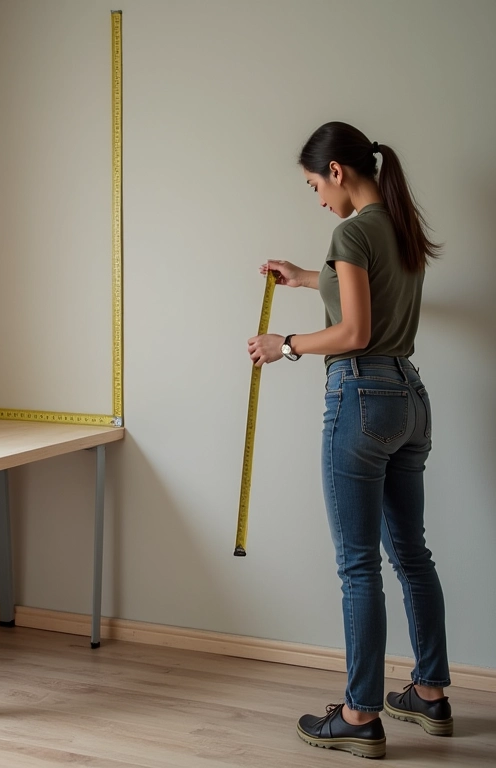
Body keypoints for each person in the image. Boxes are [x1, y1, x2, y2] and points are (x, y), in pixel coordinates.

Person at [247, 121, 452, 760]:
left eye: (314, 184)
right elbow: (367, 292)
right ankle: (430, 693)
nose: (317, 198)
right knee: (411, 554)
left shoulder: (350, 231)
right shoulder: (397, 226)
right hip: (410, 398)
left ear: (337, 171)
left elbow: (355, 332)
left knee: (358, 565)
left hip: (361, 397)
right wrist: (308, 277)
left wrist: (285, 345)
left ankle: (361, 714)